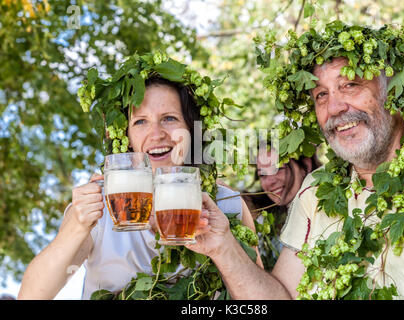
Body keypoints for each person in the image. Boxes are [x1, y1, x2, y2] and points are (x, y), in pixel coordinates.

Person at [186, 23, 404, 299]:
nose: (335, 108)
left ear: (393, 91)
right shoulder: (316, 189)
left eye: (350, 85)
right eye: (321, 95)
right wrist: (221, 245)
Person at [17, 54, 259, 300]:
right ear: (128, 139)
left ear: (192, 129)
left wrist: (225, 249)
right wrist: (76, 228)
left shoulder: (228, 204)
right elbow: (31, 296)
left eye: (169, 118)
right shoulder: (100, 208)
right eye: (141, 121)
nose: (156, 134)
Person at [243, 148, 319, 269]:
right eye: (262, 174)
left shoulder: (321, 212)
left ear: (306, 165)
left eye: (277, 169)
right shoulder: (268, 219)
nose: (270, 181)